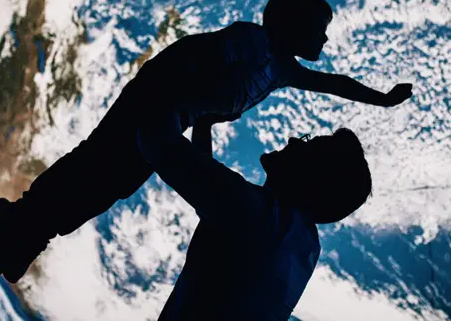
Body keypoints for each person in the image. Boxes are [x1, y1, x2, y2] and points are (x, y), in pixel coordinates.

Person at [0, 0, 412, 283]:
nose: (324, 37)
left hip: (172, 117)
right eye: (320, 27)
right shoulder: (253, 42)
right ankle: (23, 219)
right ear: (294, 26)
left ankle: (32, 231)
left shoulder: (282, 71)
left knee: (115, 181)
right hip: (155, 102)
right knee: (99, 163)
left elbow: (335, 83)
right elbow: (193, 56)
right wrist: (165, 104)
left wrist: (383, 99)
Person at [137, 113, 372, 320]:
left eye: (308, 144)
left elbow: (157, 139)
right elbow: (212, 192)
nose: (293, 140)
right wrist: (202, 125)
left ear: (316, 177)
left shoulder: (260, 217)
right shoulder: (302, 243)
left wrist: (182, 101)